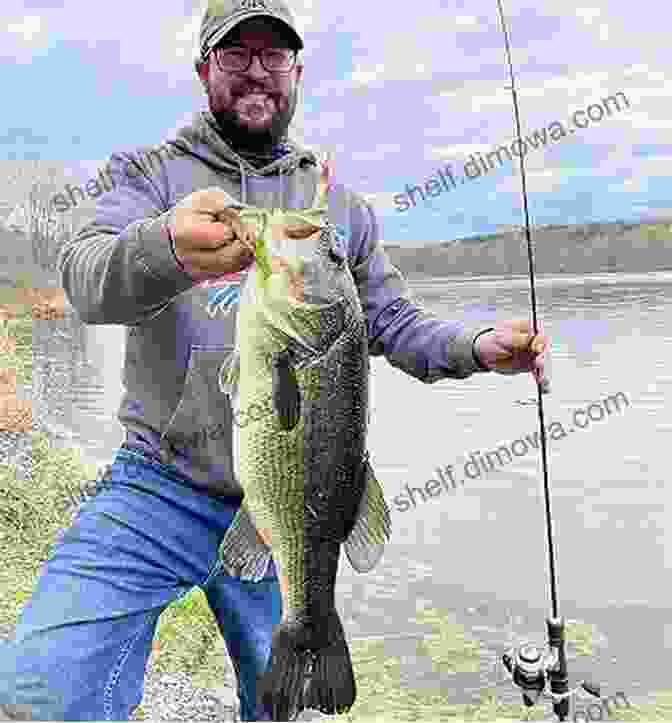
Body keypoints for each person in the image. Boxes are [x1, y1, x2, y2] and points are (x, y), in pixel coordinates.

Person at [0, 0, 550, 720]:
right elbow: (85, 276)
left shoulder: (339, 210)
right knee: (41, 687)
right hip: (158, 484)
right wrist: (165, 246)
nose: (257, 72)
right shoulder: (147, 174)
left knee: (282, 708)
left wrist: (477, 347)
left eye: (274, 55)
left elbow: (394, 322)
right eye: (236, 54)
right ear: (204, 70)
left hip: (288, 511)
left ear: (296, 71)